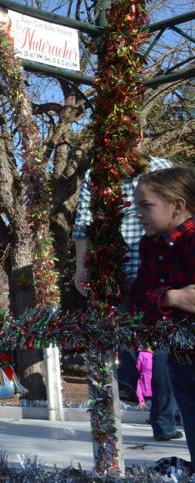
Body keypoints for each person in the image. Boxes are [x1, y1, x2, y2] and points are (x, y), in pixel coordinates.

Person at [73, 151, 179, 441]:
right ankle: (161, 419)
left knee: (138, 336)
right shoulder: (101, 172)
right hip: (128, 268)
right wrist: (83, 267)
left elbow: (83, 224)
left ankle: (130, 381)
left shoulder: (155, 167)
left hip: (138, 265)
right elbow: (84, 223)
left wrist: (82, 266)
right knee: (159, 343)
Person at [131, 166, 195, 462]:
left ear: (178, 205)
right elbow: (139, 298)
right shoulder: (149, 244)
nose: (138, 214)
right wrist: (171, 297)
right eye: (136, 206)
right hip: (180, 360)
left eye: (146, 205)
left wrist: (163, 300)